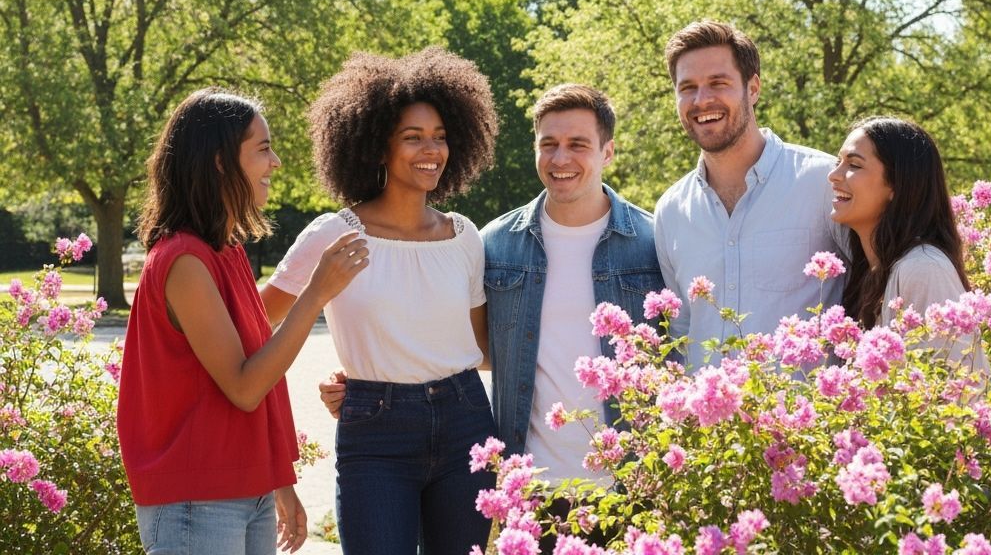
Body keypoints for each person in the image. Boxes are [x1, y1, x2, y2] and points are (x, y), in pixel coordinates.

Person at [261, 47, 499, 555]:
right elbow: (254, 321)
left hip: (465, 425)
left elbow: (479, 348)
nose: (430, 149)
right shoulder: (335, 234)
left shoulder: (465, 237)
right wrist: (359, 381)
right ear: (376, 148)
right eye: (412, 138)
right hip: (376, 434)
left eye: (439, 137)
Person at [118, 88, 367, 555]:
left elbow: (255, 341)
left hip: (239, 490)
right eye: (263, 149)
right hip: (195, 501)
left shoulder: (223, 250)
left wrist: (277, 480)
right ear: (218, 162)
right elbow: (245, 385)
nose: (274, 163)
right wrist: (317, 292)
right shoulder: (184, 261)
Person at [481, 85, 663, 505]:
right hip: (531, 491)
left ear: (608, 152)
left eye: (577, 144)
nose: (560, 159)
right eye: (549, 145)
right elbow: (468, 349)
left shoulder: (653, 243)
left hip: (633, 488)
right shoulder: (496, 245)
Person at [654, 20, 848, 367]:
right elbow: (680, 335)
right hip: (707, 423)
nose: (702, 100)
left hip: (808, 419)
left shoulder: (824, 182)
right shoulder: (670, 211)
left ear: (753, 87)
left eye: (718, 82)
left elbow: (870, 294)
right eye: (688, 88)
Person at [829, 116, 987, 368]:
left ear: (897, 184)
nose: (833, 175)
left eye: (854, 165)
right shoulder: (872, 274)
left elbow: (958, 391)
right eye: (838, 162)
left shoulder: (923, 268)